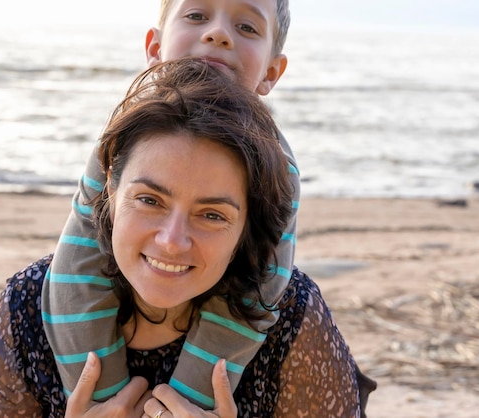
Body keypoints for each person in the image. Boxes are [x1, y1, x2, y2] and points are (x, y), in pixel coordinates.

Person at [0, 58, 376, 417]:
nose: (172, 241)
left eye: (212, 214)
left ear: (246, 228)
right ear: (109, 192)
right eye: (150, 200)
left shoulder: (291, 317)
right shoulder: (25, 311)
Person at [42, 0, 299, 408]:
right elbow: (77, 271)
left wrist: (184, 405)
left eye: (247, 27)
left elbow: (257, 294)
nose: (218, 34)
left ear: (270, 72)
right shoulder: (123, 138)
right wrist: (103, 398)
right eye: (196, 15)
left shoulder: (276, 168)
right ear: (154, 49)